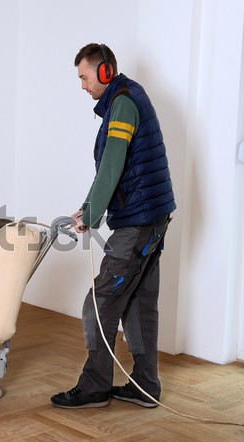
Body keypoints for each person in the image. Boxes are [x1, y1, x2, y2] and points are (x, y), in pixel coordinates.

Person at [51, 43, 176, 409]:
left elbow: (112, 167)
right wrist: (88, 209)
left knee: (99, 302)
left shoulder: (122, 104)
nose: (82, 85)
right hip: (152, 216)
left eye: (84, 77)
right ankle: (146, 386)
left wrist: (90, 215)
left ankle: (94, 387)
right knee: (139, 302)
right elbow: (114, 169)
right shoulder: (127, 96)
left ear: (105, 72)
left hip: (138, 222)